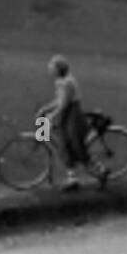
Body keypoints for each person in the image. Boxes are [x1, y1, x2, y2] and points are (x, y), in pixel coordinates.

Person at [37, 54, 107, 192]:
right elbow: (59, 100)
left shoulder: (68, 82)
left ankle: (101, 171)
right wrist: (45, 109)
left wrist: (51, 115)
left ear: (58, 69)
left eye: (52, 67)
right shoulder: (60, 81)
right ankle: (72, 180)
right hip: (66, 116)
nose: (49, 70)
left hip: (73, 117)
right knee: (64, 146)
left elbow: (64, 103)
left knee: (75, 146)